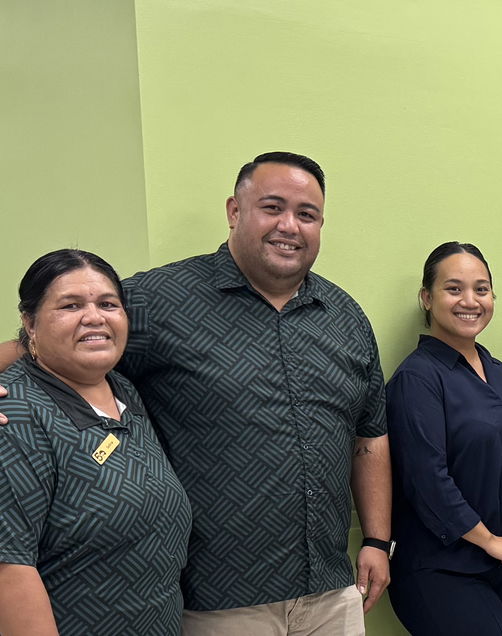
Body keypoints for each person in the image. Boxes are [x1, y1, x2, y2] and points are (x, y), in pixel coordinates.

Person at [0, 152, 390, 634]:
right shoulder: (156, 300)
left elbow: (370, 436)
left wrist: (377, 539)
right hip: (220, 600)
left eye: (306, 214)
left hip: (330, 591)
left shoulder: (346, 317)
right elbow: (66, 335)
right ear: (234, 211)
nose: (289, 225)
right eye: (272, 207)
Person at [0, 250, 191, 635]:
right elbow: (8, 568)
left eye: (108, 304)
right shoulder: (15, 415)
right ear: (30, 323)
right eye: (70, 305)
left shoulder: (123, 390)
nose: (94, 317)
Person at [384, 242, 502, 635]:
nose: (470, 300)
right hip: (442, 567)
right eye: (454, 289)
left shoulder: (497, 370)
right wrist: (488, 540)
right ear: (426, 297)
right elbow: (427, 479)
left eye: (481, 289)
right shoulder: (416, 379)